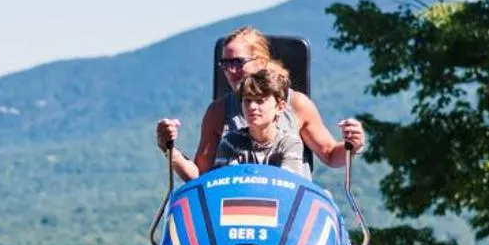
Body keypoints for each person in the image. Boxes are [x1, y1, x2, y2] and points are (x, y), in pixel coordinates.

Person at [154, 25, 365, 178]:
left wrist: (352, 145)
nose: (231, 71)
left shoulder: (297, 104)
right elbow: (201, 175)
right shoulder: (218, 111)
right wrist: (170, 149)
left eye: (238, 62)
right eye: (225, 64)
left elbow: (330, 155)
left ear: (261, 62)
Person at [167, 59, 304, 180]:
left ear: (280, 107)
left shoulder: (290, 144)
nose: (252, 107)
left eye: (260, 101)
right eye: (247, 101)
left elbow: (288, 187)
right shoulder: (231, 143)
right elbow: (225, 185)